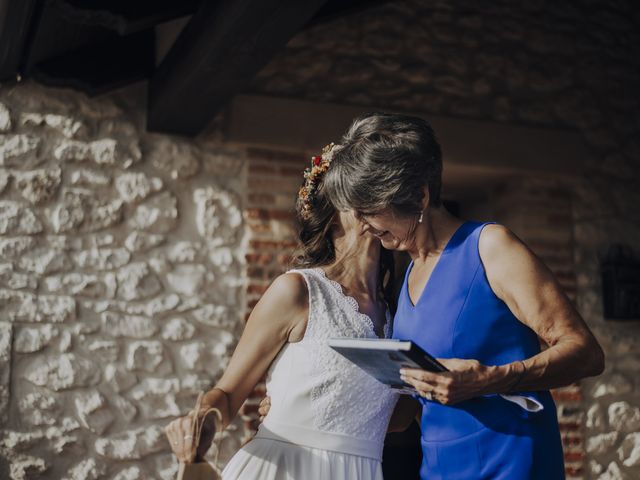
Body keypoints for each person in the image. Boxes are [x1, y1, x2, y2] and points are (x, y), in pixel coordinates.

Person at [319, 112, 605, 479]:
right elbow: (412, 410)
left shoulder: (489, 246)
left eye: (370, 209)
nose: (361, 224)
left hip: (511, 461)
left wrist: (492, 378)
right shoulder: (407, 276)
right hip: (440, 467)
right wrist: (312, 409)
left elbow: (586, 353)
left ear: (420, 196)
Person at [165, 144, 401, 479]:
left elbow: (402, 414)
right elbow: (230, 395)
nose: (371, 198)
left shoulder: (399, 312)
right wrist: (199, 420)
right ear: (331, 211)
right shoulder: (299, 291)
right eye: (357, 191)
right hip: (285, 468)